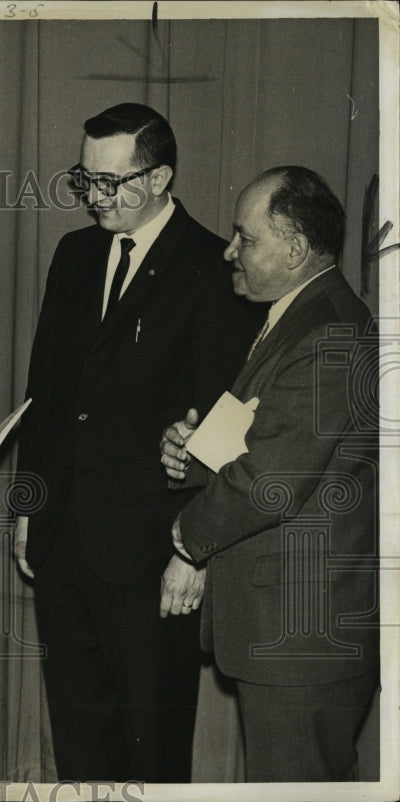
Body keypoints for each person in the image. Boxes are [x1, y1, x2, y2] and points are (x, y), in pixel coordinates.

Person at [11, 102, 265, 781]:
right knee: (78, 739)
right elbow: (45, 392)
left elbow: (226, 422)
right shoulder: (74, 254)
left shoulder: (215, 267)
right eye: (85, 180)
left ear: (159, 178)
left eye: (111, 182)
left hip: (154, 555)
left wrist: (196, 552)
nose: (95, 197)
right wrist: (28, 510)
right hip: (63, 541)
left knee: (152, 748)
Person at [160, 166, 379, 782]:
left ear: (295, 248)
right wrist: (194, 454)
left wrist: (185, 539)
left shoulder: (328, 327)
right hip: (289, 629)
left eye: (245, 238)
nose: (229, 250)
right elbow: (266, 435)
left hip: (302, 635)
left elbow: (269, 481)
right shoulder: (301, 313)